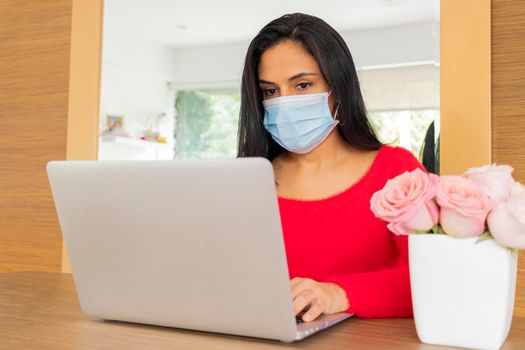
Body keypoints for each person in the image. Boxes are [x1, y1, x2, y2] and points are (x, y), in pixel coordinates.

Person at [237, 13, 425, 322]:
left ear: (338, 86)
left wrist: (337, 294)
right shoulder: (246, 180)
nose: (284, 103)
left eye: (303, 85)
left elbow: (431, 279)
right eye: (270, 91)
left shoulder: (398, 171)